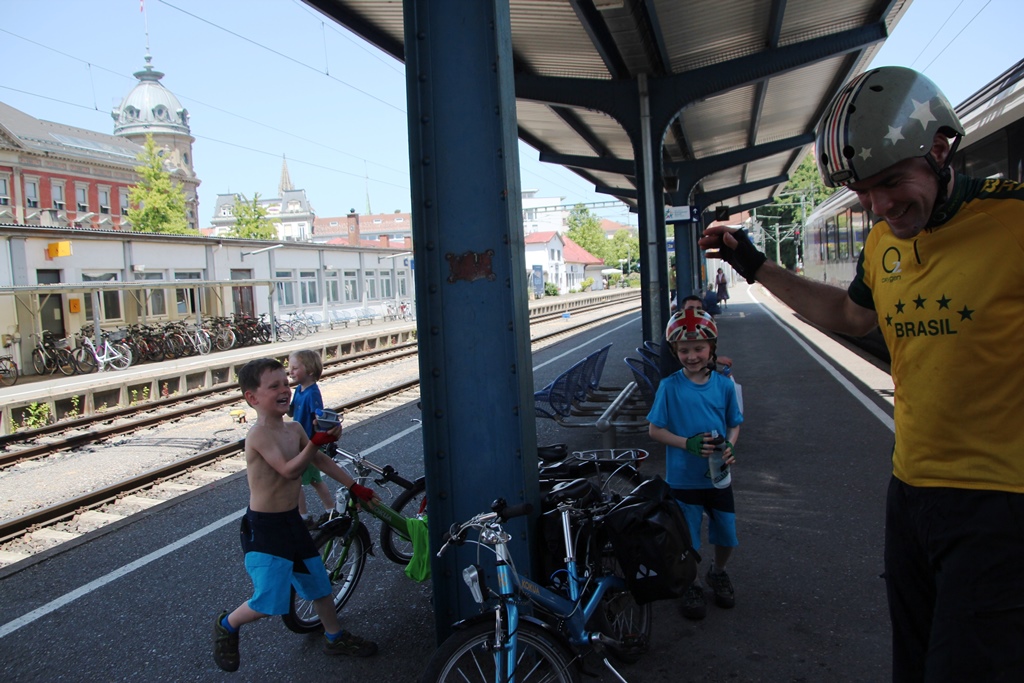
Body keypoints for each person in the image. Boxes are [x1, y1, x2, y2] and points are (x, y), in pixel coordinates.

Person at [698, 66, 1024, 681]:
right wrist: (753, 264)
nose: (879, 206)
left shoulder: (1013, 223)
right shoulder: (881, 245)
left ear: (940, 148)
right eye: (863, 192)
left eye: (892, 182)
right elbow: (849, 316)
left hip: (1001, 504)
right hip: (910, 492)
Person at [213, 358, 378, 672]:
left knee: (319, 584)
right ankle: (227, 623)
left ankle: (334, 637)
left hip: (292, 521)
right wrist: (315, 443)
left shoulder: (294, 428)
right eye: (273, 386)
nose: (284, 390)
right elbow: (289, 471)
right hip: (266, 528)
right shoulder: (258, 435)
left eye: (285, 384)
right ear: (252, 398)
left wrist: (354, 486)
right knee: (268, 602)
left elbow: (320, 462)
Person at [646, 308, 743, 621]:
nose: (691, 356)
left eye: (699, 348)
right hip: (682, 478)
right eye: (684, 350)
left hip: (718, 475)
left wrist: (730, 445)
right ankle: (693, 582)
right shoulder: (669, 386)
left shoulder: (724, 386)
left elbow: (734, 423)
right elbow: (655, 430)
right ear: (675, 351)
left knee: (726, 532)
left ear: (712, 348)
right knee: (687, 538)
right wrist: (686, 443)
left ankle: (718, 571)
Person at [287, 349, 336, 527]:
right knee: (310, 480)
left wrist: (320, 425)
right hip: (300, 442)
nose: (290, 372)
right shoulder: (299, 390)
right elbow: (291, 411)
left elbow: (318, 416)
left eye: (294, 368)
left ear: (309, 370)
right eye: (290, 368)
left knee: (300, 480)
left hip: (308, 443)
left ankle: (307, 515)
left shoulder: (312, 392)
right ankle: (328, 510)